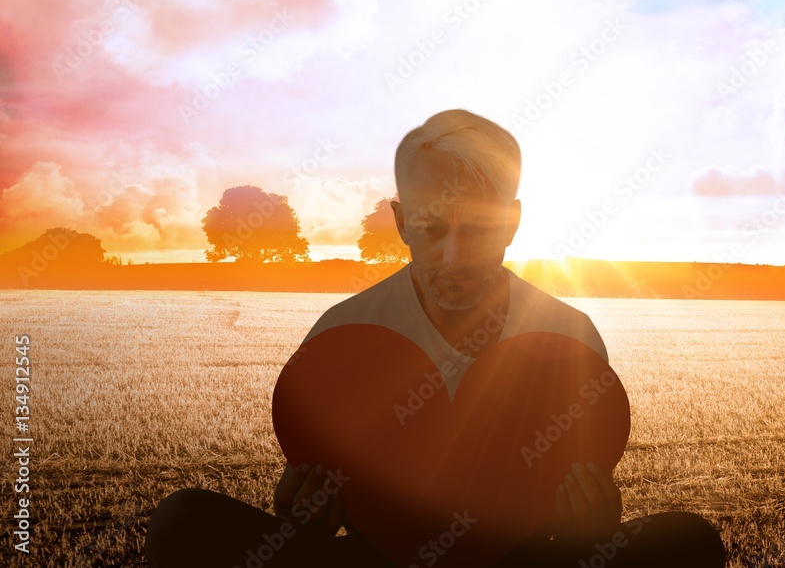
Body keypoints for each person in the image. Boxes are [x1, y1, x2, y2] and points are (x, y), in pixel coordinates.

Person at [143, 109, 727, 567]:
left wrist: (587, 534)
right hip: (381, 561)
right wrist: (302, 519)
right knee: (185, 519)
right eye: (431, 227)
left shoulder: (566, 339)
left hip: (515, 562)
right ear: (400, 222)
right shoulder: (344, 335)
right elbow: (338, 508)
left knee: (686, 542)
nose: (454, 256)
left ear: (514, 222)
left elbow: (551, 514)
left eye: (478, 230)